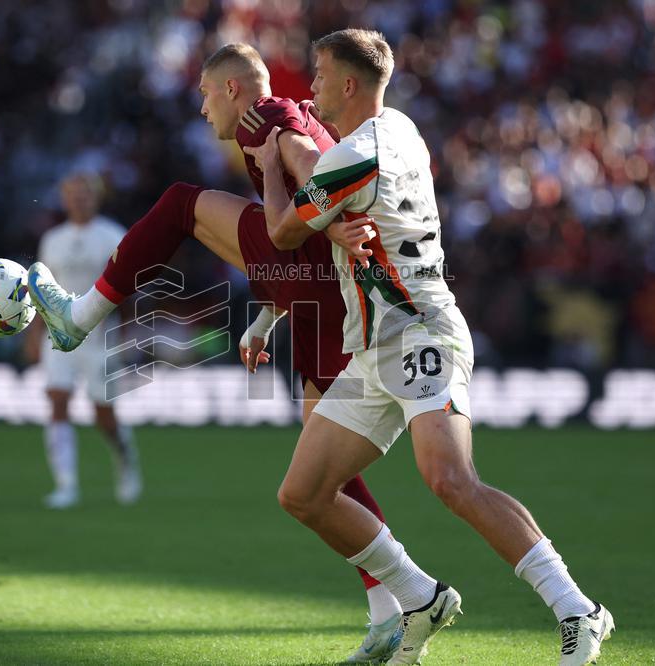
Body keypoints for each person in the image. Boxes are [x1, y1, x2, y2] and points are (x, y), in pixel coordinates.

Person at [243, 29, 613, 665]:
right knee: (302, 493)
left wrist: (274, 160)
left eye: (322, 75)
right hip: (372, 345)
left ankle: (578, 609)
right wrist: (335, 222)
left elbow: (279, 230)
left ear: (351, 83)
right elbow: (356, 201)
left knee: (450, 479)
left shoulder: (352, 156)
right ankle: (419, 597)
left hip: (419, 329)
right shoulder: (405, 128)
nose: (314, 87)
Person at [27, 44, 404, 661]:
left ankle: (79, 314)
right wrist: (267, 311)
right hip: (316, 289)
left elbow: (307, 162)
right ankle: (391, 605)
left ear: (232, 90)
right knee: (327, 467)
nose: (202, 110)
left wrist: (327, 213)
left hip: (321, 276)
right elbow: (306, 174)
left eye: (205, 95)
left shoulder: (266, 114)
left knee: (180, 203)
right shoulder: (294, 116)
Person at [36, 173, 141, 509]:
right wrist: (36, 331)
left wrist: (127, 331)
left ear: (96, 198)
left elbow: (130, 289)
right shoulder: (52, 240)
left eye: (84, 194)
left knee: (103, 415)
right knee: (57, 401)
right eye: (72, 194)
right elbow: (43, 291)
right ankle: (66, 485)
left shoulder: (112, 235)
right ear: (64, 199)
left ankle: (125, 461)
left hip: (100, 338)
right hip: (59, 336)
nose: (78, 200)